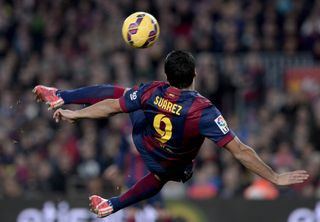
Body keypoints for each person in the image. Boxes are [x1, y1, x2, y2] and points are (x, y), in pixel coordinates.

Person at [33, 50, 309, 218]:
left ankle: (60, 95)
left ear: (167, 76)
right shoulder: (204, 110)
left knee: (121, 94)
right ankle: (113, 204)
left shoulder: (153, 90)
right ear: (195, 74)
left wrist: (76, 113)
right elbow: (241, 151)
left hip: (144, 141)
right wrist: (274, 176)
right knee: (162, 175)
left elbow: (111, 108)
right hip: (173, 164)